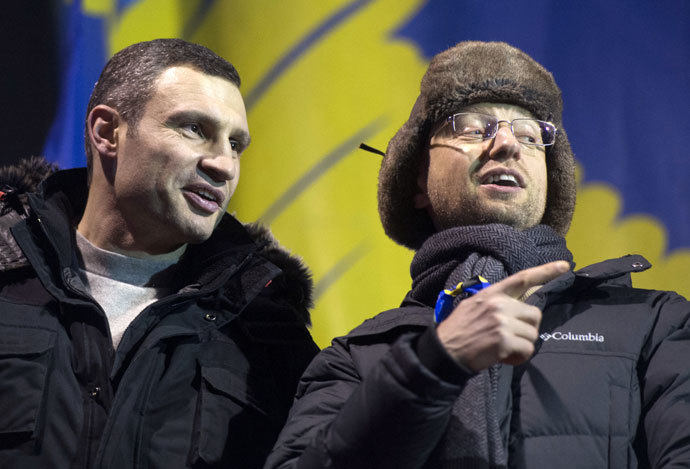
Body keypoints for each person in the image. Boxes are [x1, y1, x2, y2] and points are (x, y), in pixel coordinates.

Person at [265, 41, 690, 468]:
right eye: (470, 127)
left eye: (529, 135)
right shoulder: (356, 355)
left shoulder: (655, 324)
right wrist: (431, 367)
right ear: (417, 184)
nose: (507, 145)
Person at [0, 38, 318, 469]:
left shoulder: (266, 327)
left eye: (235, 144)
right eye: (195, 129)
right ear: (107, 133)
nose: (224, 165)